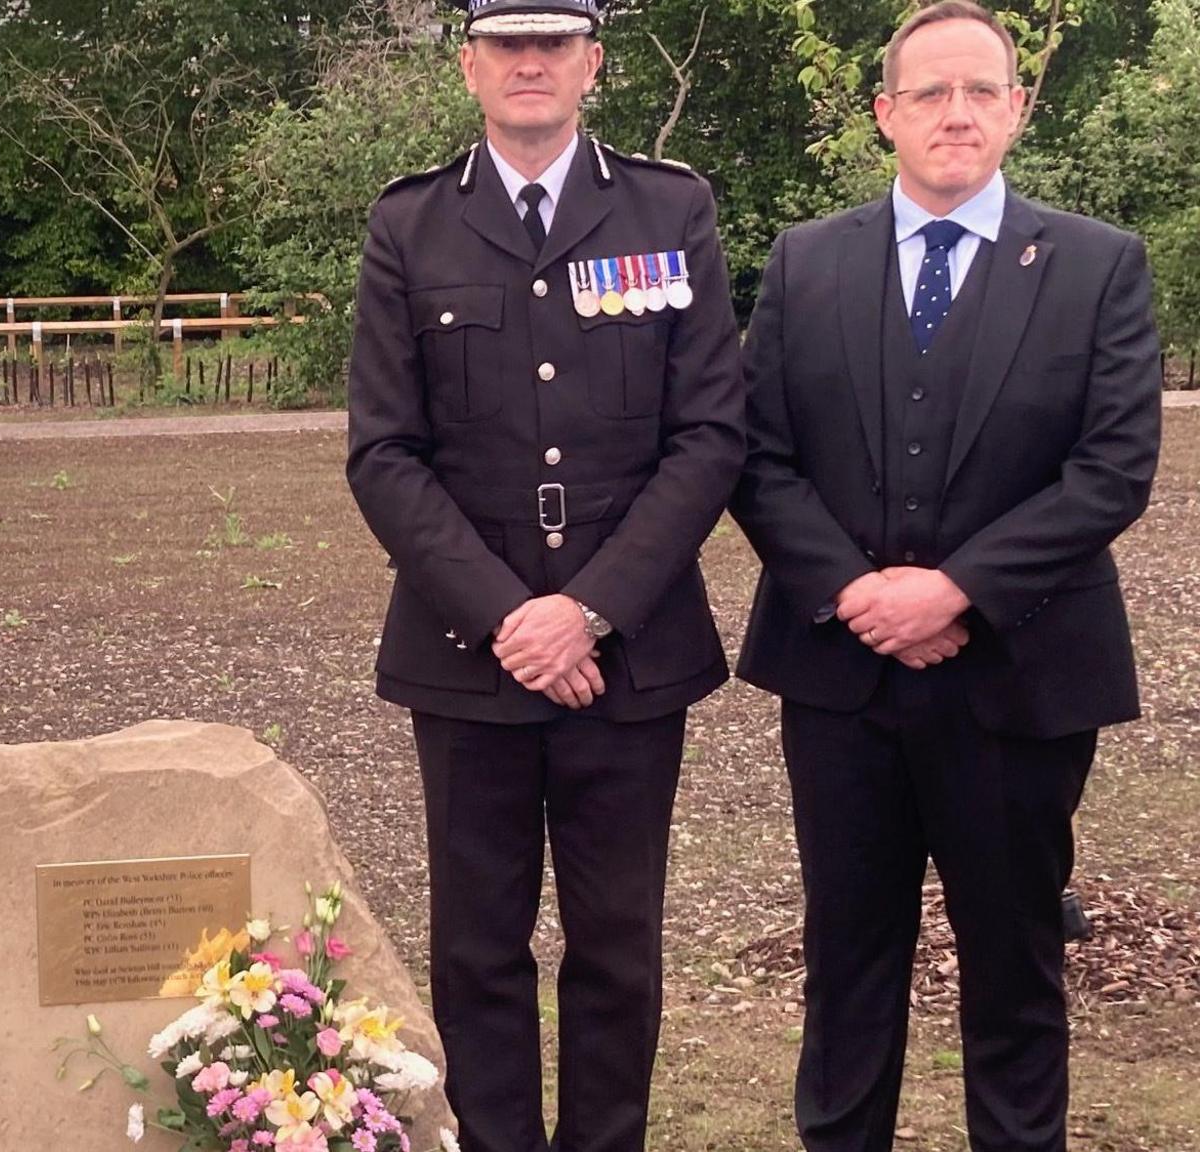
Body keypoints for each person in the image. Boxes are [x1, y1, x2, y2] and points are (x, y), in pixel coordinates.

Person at [728, 5, 1162, 1150]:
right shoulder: (803, 261)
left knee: (1013, 971)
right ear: (884, 114)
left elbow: (1111, 471)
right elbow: (757, 456)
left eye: (980, 90)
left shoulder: (1098, 265)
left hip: (1018, 684)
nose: (954, 114)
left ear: (1018, 108)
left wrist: (951, 589)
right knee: (845, 968)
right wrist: (858, 595)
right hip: (840, 681)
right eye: (927, 93)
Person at [342, 1, 746, 1148]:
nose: (530, 63)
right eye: (507, 44)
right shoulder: (412, 224)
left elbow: (709, 433)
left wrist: (588, 611)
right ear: (468, 63)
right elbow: (382, 450)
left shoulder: (670, 207)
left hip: (630, 651)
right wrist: (511, 618)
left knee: (617, 946)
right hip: (468, 658)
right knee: (476, 947)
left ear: (591, 64)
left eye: (553, 44)